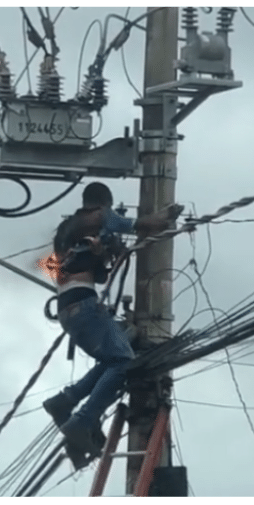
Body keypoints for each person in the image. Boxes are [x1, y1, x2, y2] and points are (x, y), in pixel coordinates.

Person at [43, 182, 179, 458]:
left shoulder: (64, 231)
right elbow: (140, 224)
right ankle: (82, 420)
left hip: (68, 309)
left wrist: (98, 253)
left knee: (111, 359)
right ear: (103, 203)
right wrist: (167, 217)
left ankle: (65, 400)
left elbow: (52, 268)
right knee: (122, 360)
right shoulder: (100, 216)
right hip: (84, 304)